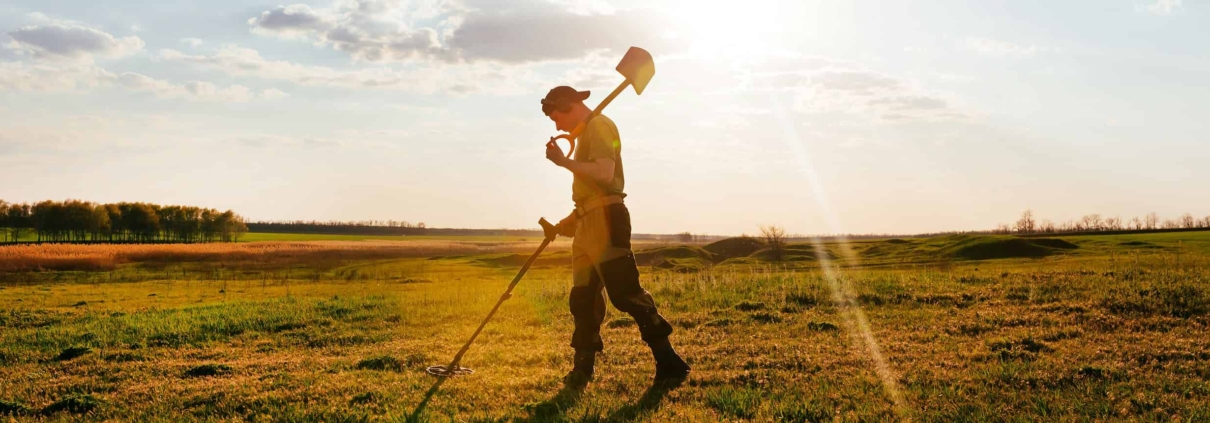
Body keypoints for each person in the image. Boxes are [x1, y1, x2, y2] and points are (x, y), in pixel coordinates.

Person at [540, 85, 690, 386]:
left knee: (625, 293)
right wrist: (572, 218)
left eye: (556, 117)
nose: (557, 126)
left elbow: (605, 175)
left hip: (608, 221)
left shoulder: (601, 125)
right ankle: (582, 370)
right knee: (582, 300)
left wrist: (564, 162)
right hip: (586, 222)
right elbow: (592, 189)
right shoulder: (584, 134)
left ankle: (669, 361)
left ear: (567, 104)